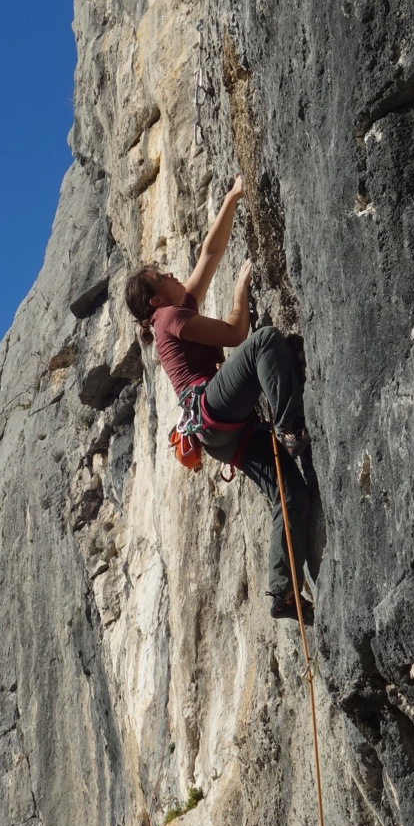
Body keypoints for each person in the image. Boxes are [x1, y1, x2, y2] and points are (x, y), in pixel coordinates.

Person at [124, 177, 313, 622]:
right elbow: (236, 334)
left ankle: (283, 594)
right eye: (165, 276)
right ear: (155, 298)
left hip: (225, 432)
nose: (174, 275)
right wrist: (240, 295)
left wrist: (232, 196)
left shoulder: (176, 308)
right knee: (266, 341)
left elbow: (210, 254)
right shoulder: (169, 317)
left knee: (292, 496)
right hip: (212, 409)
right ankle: (290, 429)